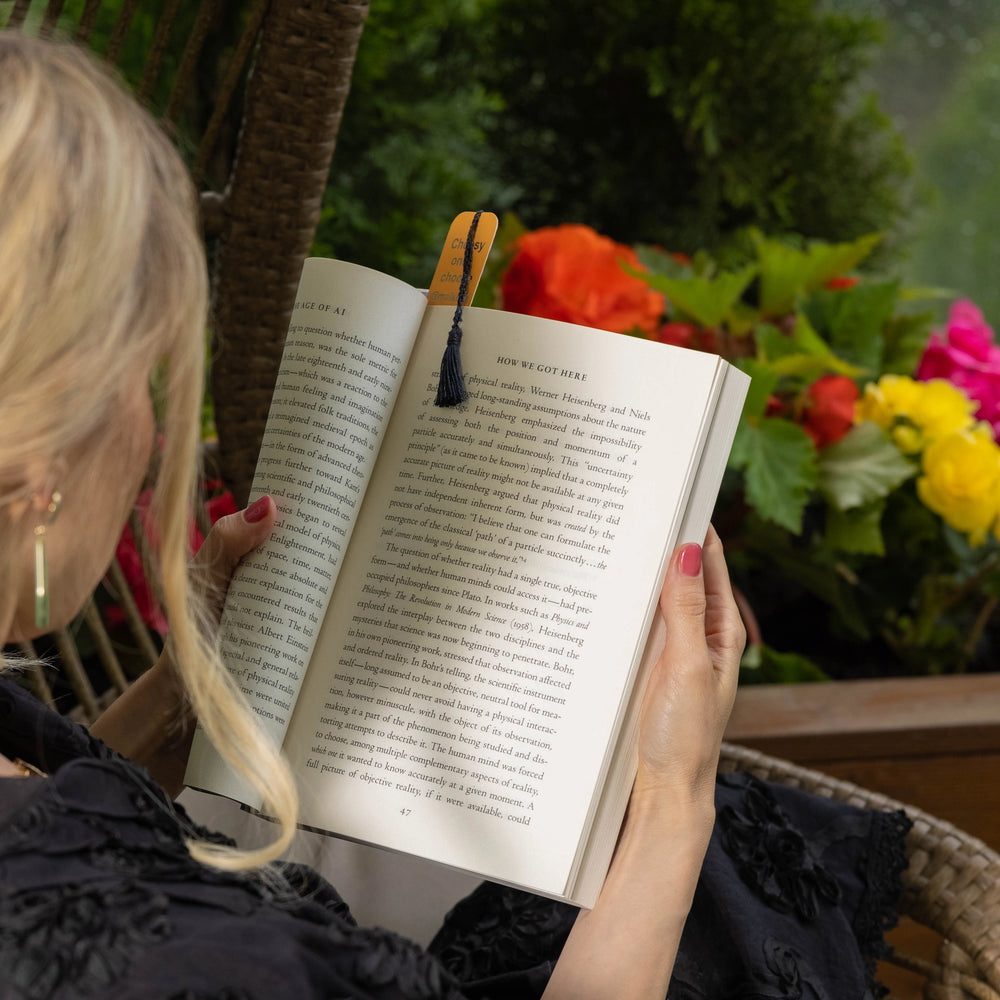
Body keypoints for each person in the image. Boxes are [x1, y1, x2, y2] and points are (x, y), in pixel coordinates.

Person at [0, 32, 909, 1000]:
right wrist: (670, 796)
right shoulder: (188, 960)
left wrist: (200, 669)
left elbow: (73, 807)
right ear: (42, 461)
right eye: (147, 377)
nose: (153, 430)